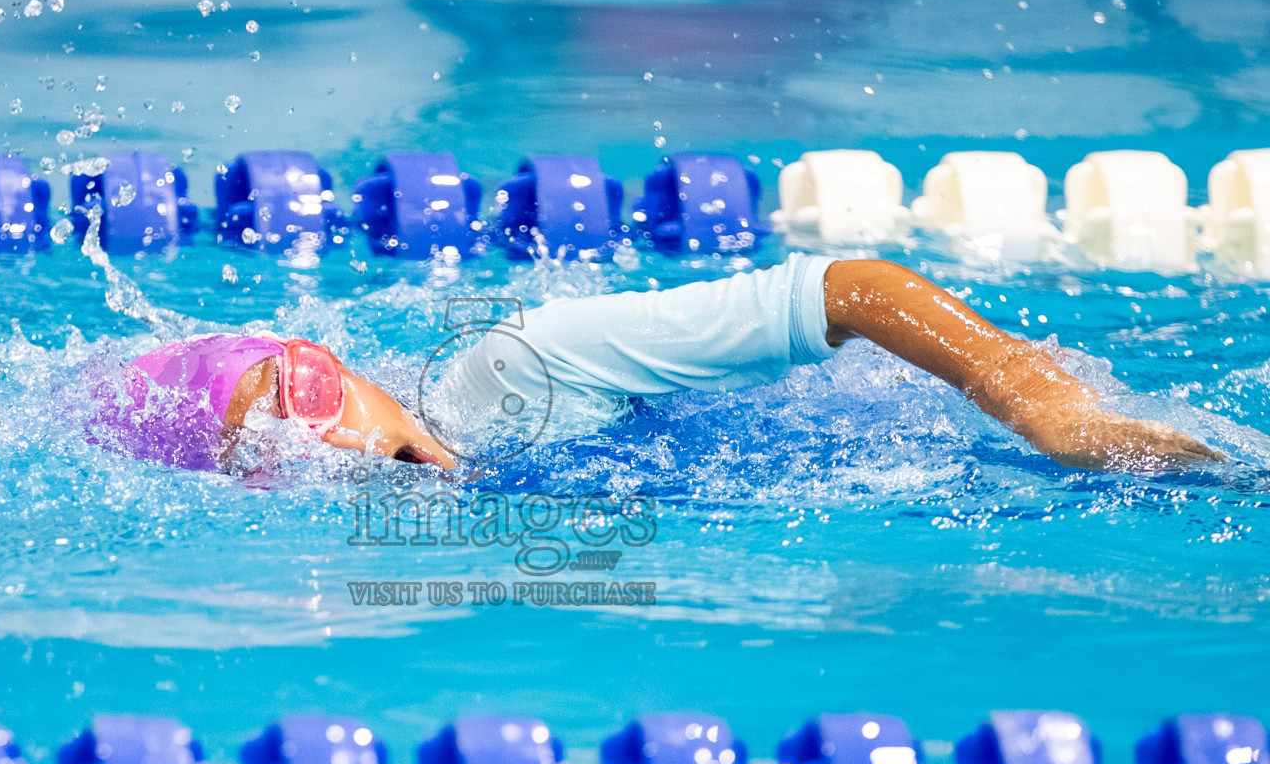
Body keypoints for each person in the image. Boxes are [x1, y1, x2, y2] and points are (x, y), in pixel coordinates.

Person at [109, 253, 1219, 474]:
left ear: (337, 363)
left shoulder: (517, 370)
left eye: (302, 392)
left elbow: (853, 290)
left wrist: (1031, 399)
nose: (330, 436)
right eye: (265, 450)